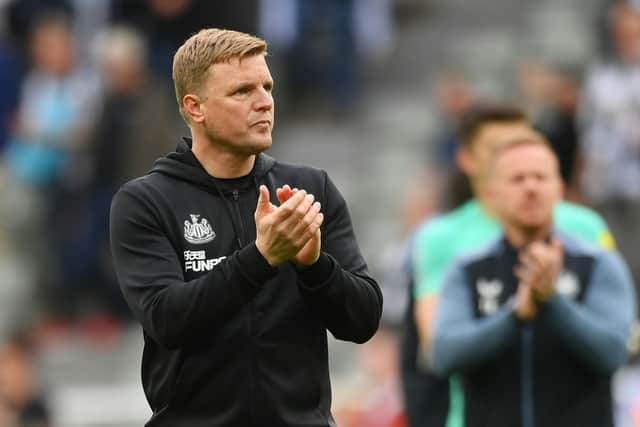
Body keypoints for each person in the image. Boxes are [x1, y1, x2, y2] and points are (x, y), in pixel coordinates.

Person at [109, 28, 382, 426]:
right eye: (242, 92)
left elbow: (362, 321)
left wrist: (314, 266)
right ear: (195, 107)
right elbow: (167, 319)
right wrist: (262, 258)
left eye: (267, 87)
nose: (264, 102)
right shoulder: (144, 202)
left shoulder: (311, 189)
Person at [402, 105, 615, 427]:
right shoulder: (443, 239)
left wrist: (552, 302)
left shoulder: (586, 230)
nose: (516, 155)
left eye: (524, 141)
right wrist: (517, 312)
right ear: (468, 159)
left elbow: (617, 336)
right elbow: (438, 347)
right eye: (497, 149)